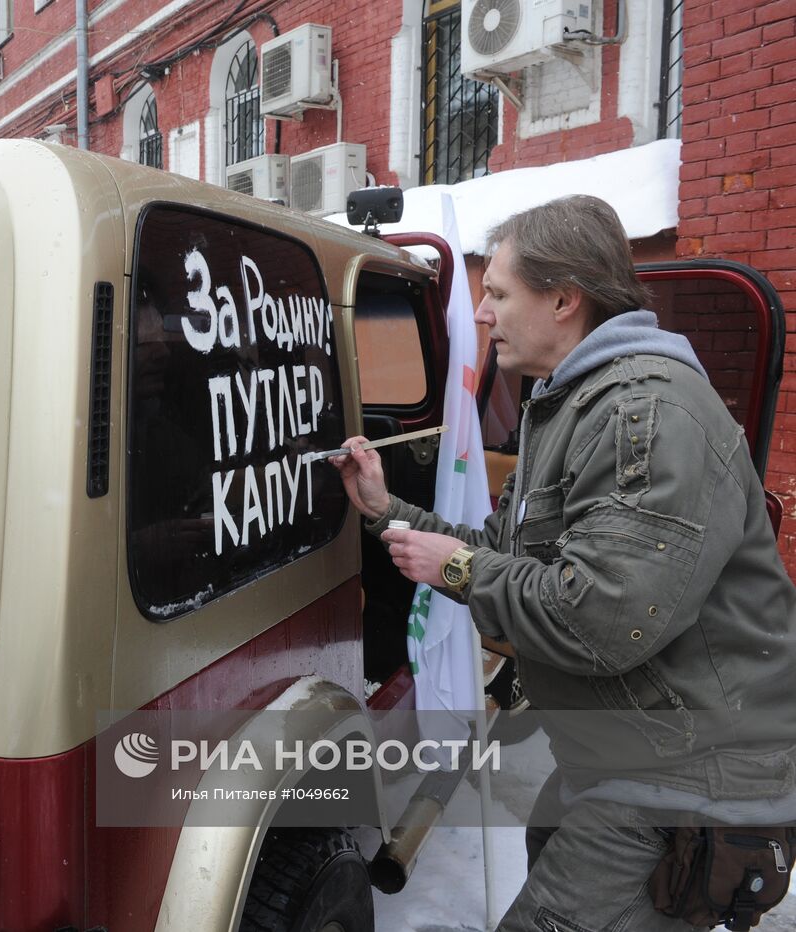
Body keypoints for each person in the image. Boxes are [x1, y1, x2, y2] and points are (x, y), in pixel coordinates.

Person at [331, 194, 796, 931]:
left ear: (563, 299)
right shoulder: (572, 404)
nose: (482, 314)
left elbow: (605, 617)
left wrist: (456, 570)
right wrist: (390, 512)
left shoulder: (646, 413)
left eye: (498, 294)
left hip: (690, 780)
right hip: (625, 759)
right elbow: (506, 553)